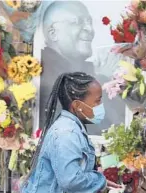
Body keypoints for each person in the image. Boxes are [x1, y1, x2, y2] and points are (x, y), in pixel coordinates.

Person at [3, 72, 119, 193]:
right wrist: (98, 181)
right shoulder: (67, 133)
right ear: (77, 105)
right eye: (97, 101)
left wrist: (97, 180)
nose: (100, 106)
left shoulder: (70, 126)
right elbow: (70, 180)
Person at [39, 1, 125, 135]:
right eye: (76, 22)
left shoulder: (82, 70)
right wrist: (102, 81)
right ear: (53, 34)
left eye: (89, 22)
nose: (89, 29)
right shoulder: (42, 72)